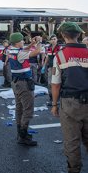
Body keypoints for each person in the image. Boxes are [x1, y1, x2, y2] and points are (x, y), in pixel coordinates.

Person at [51, 22, 88, 173]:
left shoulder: (59, 55)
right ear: (79, 35)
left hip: (70, 103)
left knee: (72, 142)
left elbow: (55, 84)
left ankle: (74, 170)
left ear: (63, 36)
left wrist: (54, 104)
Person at [8, 33, 42, 146]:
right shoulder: (20, 53)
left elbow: (24, 49)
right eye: (22, 40)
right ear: (17, 42)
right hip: (24, 83)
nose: (24, 42)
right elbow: (36, 52)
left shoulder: (11, 50)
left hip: (15, 82)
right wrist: (39, 42)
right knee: (28, 109)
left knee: (19, 108)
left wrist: (32, 43)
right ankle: (23, 135)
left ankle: (19, 132)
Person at [42, 34, 61, 106]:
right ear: (50, 40)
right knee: (49, 83)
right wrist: (44, 66)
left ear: (57, 40)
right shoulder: (49, 48)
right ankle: (51, 98)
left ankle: (57, 99)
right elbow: (47, 57)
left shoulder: (59, 47)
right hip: (50, 67)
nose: (53, 40)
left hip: (57, 67)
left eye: (54, 39)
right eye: (52, 39)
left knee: (56, 82)